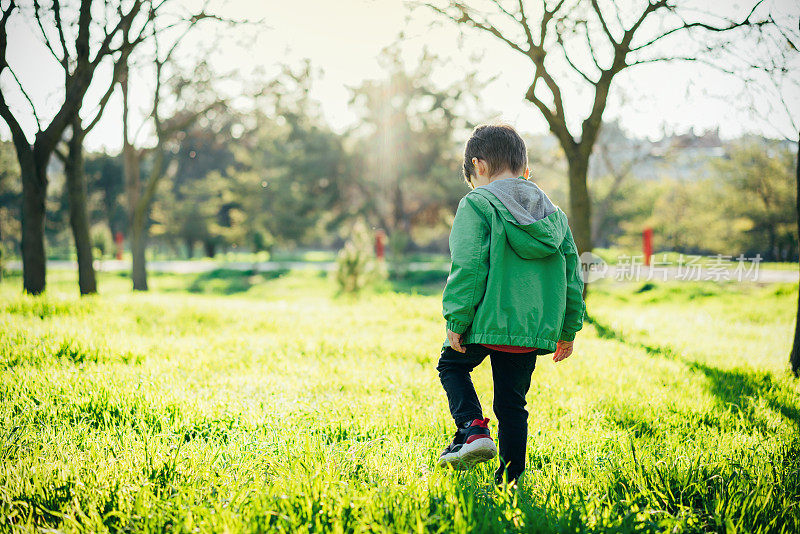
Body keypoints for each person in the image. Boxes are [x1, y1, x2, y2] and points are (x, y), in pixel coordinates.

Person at [436, 124, 585, 487]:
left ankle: (472, 429)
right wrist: (568, 330)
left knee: (451, 367)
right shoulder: (556, 217)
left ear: (479, 166)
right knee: (512, 406)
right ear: (526, 171)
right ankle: (511, 481)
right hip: (530, 331)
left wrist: (457, 317)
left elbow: (469, 264)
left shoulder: (477, 202)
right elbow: (572, 277)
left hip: (484, 321)